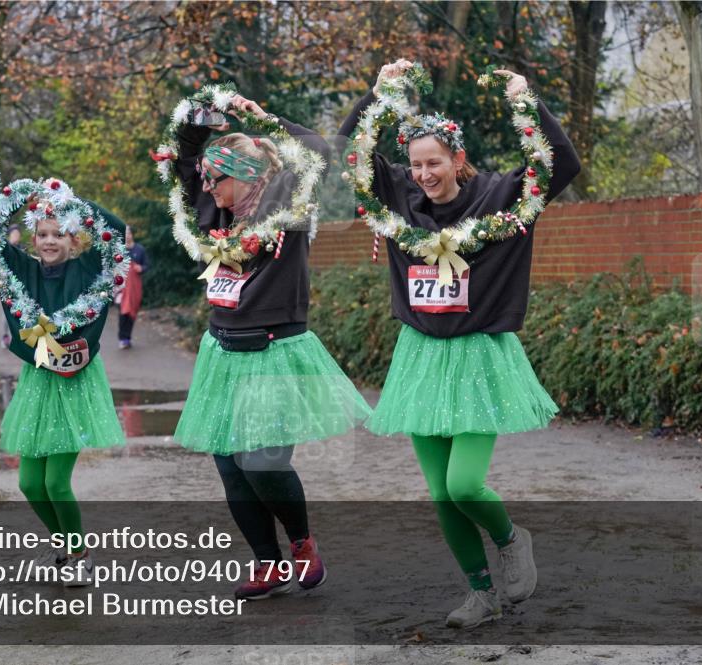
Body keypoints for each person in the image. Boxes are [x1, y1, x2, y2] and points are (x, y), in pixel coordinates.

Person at [339, 60, 581, 628]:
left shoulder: (500, 197)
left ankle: (510, 537)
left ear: (458, 160)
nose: (424, 174)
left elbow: (561, 164)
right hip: (421, 355)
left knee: (463, 483)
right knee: (440, 496)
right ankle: (480, 594)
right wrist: (379, 94)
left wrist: (526, 99)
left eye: (435, 163)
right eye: (416, 164)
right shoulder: (398, 197)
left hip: (479, 354)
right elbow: (352, 151)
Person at [170, 93, 372, 600]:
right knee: (229, 467)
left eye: (217, 177)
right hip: (223, 351)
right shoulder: (215, 214)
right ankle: (268, 564)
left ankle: (302, 542)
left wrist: (259, 115)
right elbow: (182, 169)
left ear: (245, 174)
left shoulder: (287, 204)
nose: (208, 187)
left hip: (275, 352)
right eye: (207, 178)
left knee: (261, 462)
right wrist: (198, 121)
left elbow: (318, 150)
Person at [0, 193, 126, 586]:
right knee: (29, 483)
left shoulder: (88, 267)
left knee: (55, 482)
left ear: (74, 240)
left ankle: (79, 554)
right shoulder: (23, 270)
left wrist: (72, 199)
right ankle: (69, 547)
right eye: (43, 234)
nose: (50, 241)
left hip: (74, 379)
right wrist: (12, 197)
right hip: (39, 378)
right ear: (32, 239)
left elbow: (116, 232)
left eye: (59, 234)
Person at [117, 226, 149, 349]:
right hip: (121, 287)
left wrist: (141, 268)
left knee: (131, 312)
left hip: (135, 287)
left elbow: (146, 265)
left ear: (132, 234)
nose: (127, 235)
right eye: (125, 233)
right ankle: (122, 338)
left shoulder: (140, 249)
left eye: (129, 233)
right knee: (123, 311)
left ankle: (127, 337)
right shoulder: (120, 249)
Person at [1, 224, 23, 349]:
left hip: (20, 285)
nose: (16, 235)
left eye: (18, 233)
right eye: (14, 233)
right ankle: (5, 336)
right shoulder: (5, 248)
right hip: (7, 285)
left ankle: (18, 338)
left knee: (20, 312)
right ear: (10, 235)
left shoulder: (22, 248)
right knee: (7, 313)